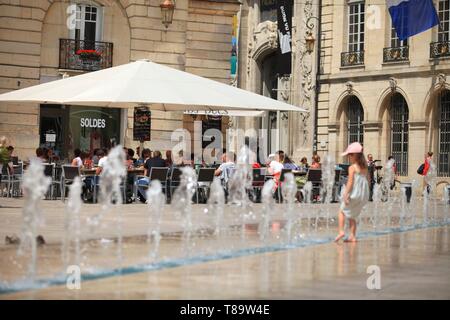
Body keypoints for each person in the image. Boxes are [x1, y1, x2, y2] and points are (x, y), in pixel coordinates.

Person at [334, 142, 369, 243]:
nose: (349, 157)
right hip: (363, 194)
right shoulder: (365, 167)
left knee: (341, 211)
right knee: (352, 215)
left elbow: (350, 182)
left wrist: (346, 194)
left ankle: (341, 231)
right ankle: (352, 236)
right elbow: (368, 180)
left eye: (349, 155)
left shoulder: (352, 167)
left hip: (354, 193)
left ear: (354, 155)